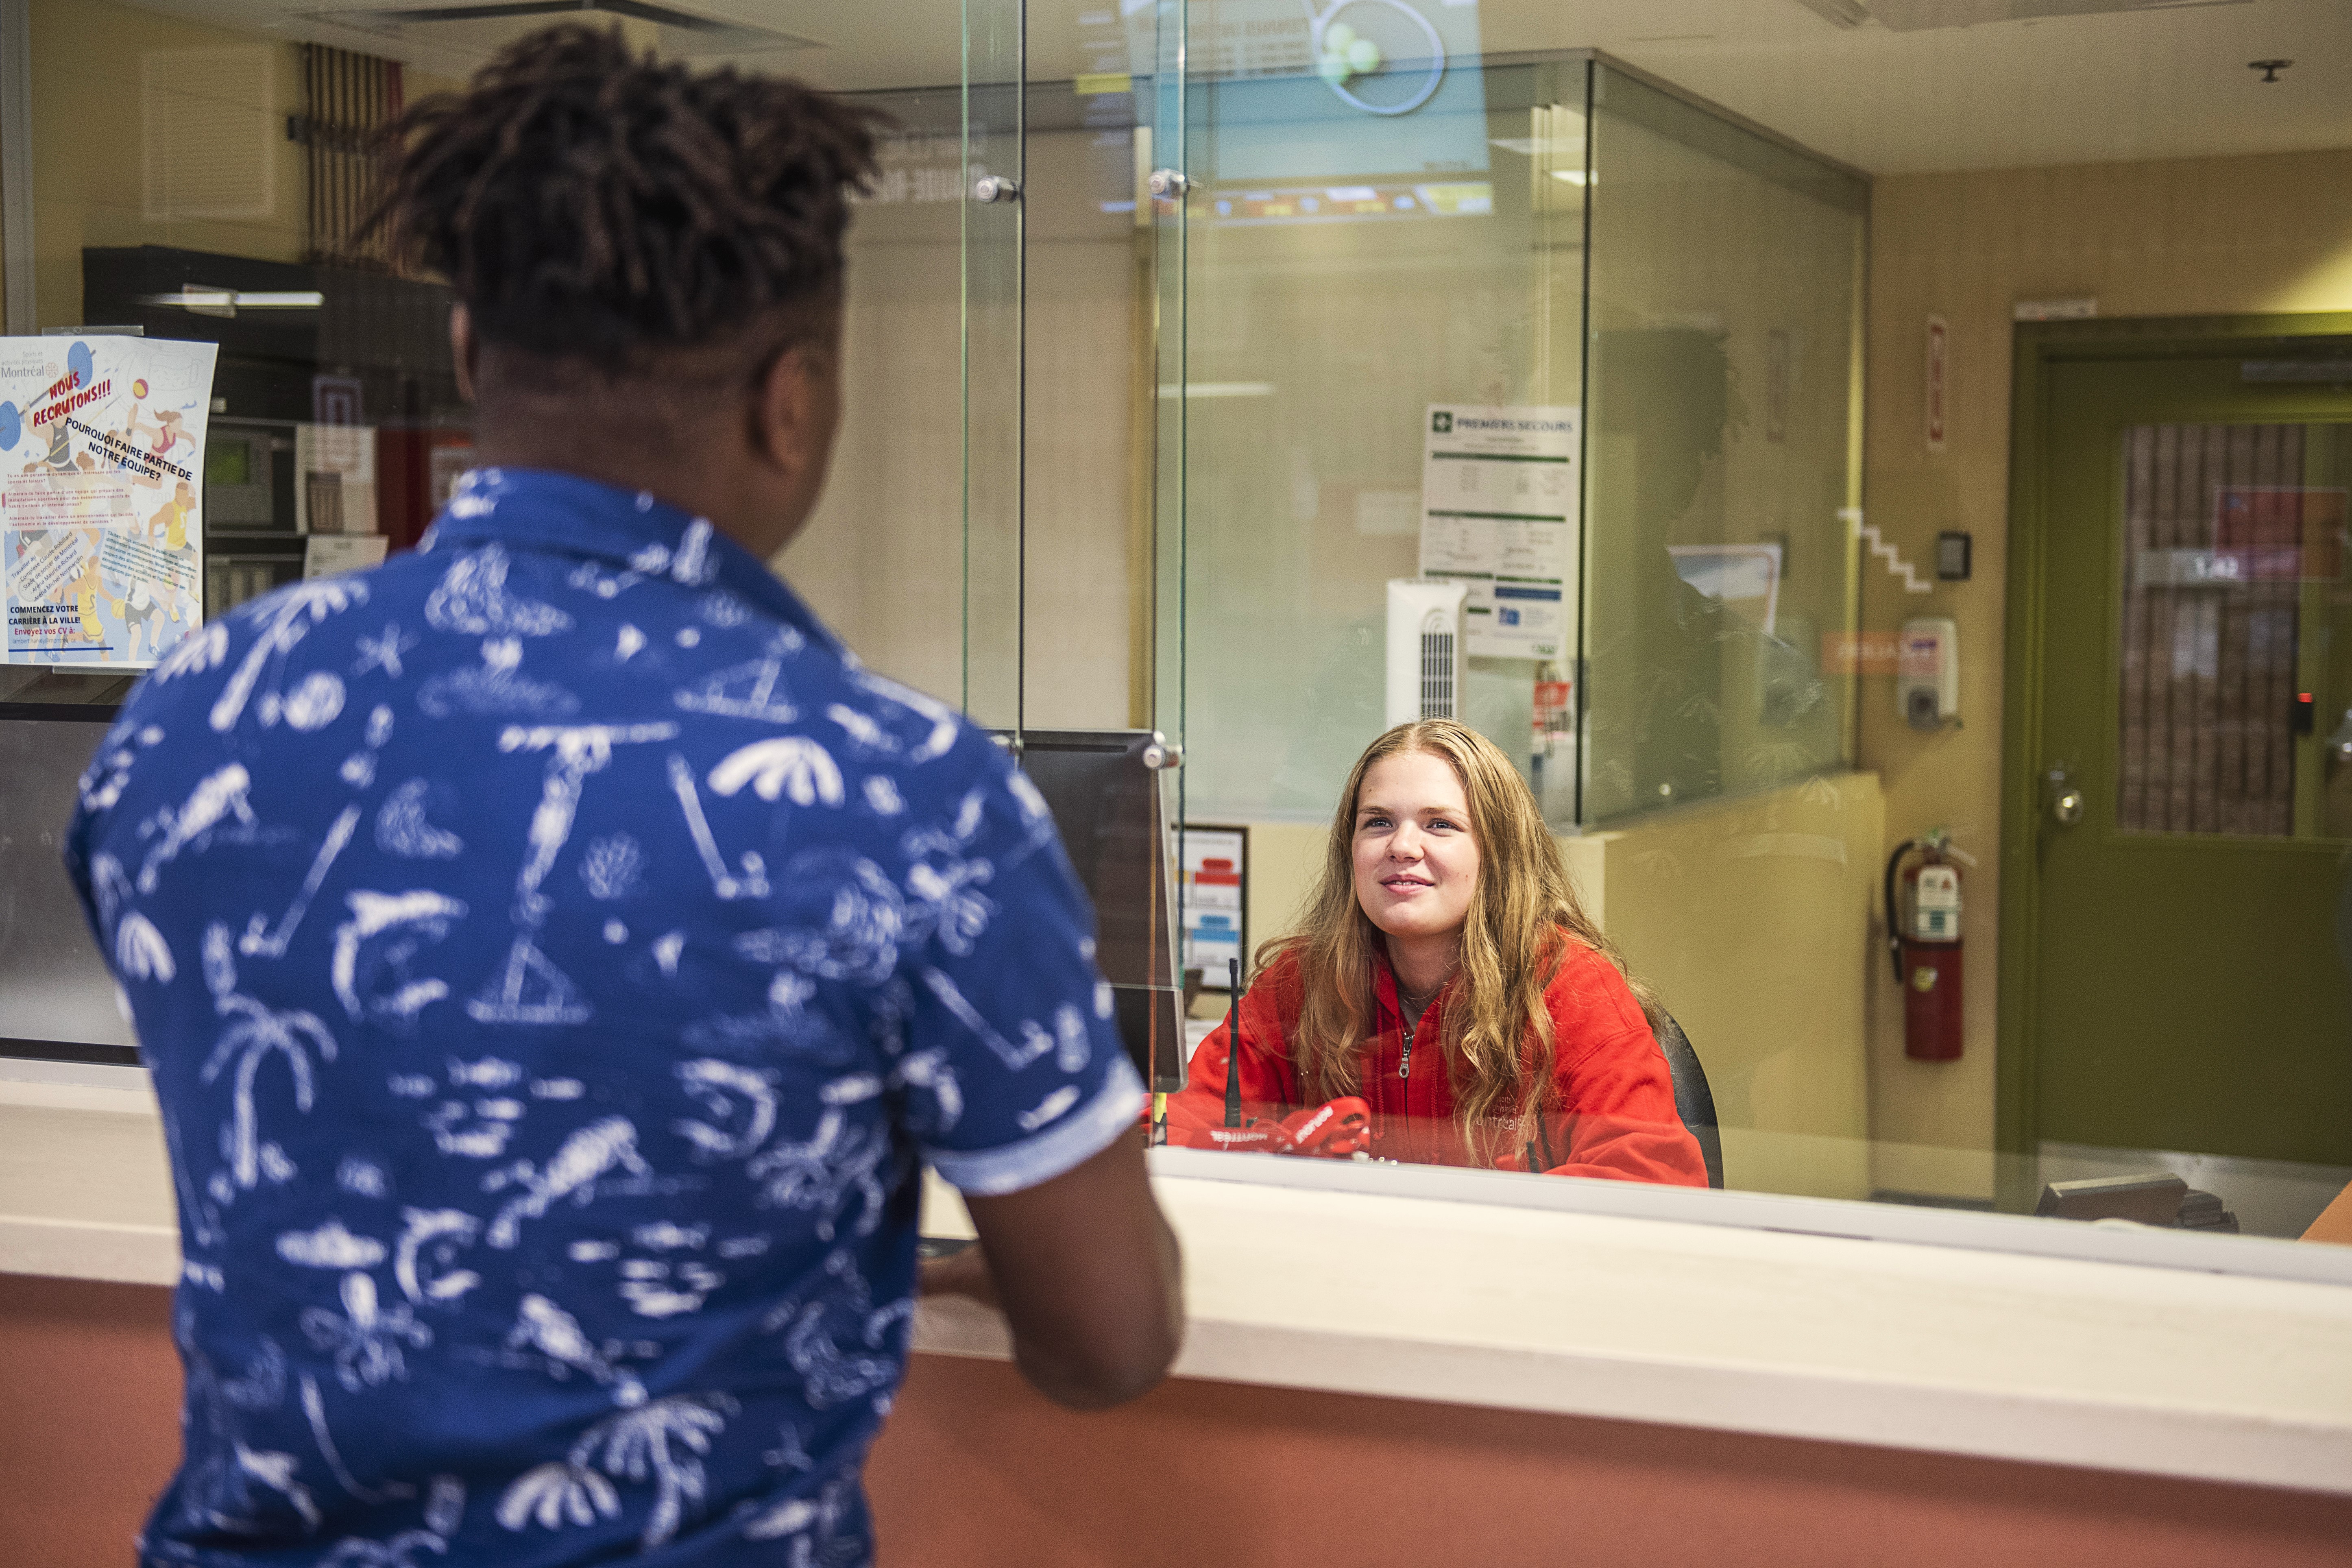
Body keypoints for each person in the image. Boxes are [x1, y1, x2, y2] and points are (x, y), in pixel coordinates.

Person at [65, 26, 1180, 1568]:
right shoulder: (900, 788)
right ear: (794, 401)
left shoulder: (198, 710)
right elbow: (1107, 1337)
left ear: (467, 354)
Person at [1167, 718, 1708, 1184]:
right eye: (1378, 822)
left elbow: (1651, 1179)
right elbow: (1181, 1131)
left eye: (1440, 825)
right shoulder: (1299, 984)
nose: (1402, 846)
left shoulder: (1570, 989)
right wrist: (1287, 1145)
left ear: (1498, 853)